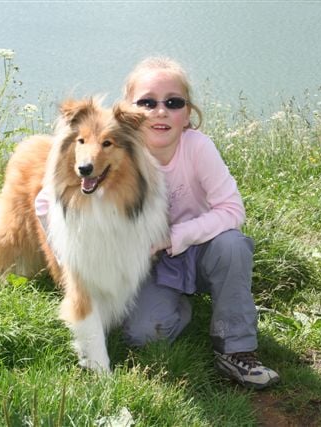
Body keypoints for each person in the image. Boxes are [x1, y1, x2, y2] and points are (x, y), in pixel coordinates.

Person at [120, 57, 279, 390]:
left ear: (187, 114)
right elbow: (50, 200)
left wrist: (174, 236)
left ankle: (235, 348)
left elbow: (232, 208)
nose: (160, 111)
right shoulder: (117, 152)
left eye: (173, 102)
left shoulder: (198, 147)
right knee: (143, 336)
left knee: (233, 245)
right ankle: (180, 305)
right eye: (147, 102)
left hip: (202, 252)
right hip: (148, 264)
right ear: (127, 111)